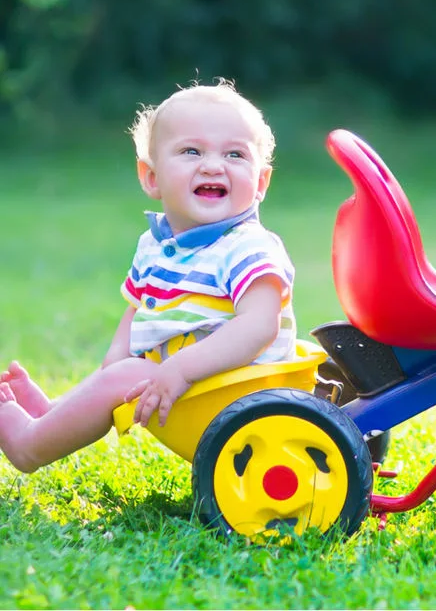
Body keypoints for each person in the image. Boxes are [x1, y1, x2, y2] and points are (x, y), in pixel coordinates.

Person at [0, 80, 296, 473]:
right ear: (151, 177)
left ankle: (29, 447)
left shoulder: (247, 247)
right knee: (118, 373)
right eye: (192, 151)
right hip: (190, 387)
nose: (212, 164)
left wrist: (181, 368)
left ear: (260, 183)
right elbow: (140, 307)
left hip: (235, 395)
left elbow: (259, 326)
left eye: (235, 154)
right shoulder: (157, 243)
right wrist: (113, 365)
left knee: (125, 375)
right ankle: (55, 416)